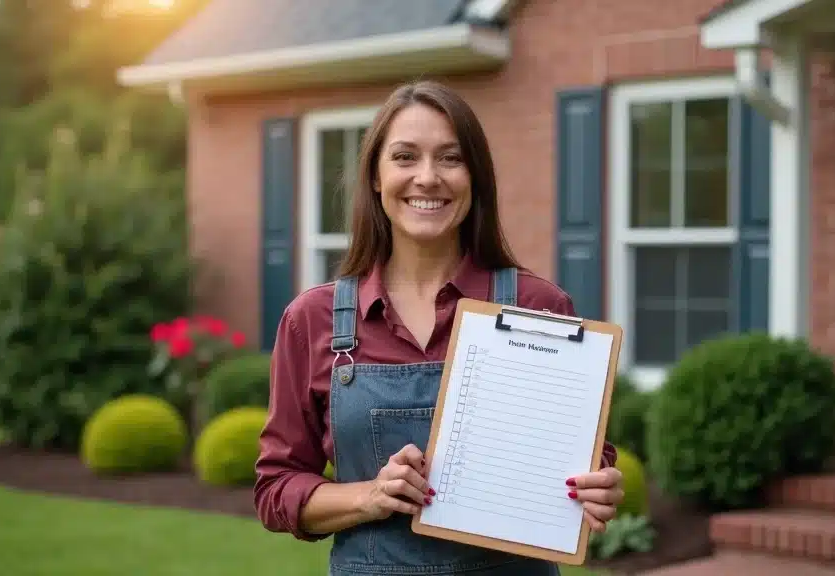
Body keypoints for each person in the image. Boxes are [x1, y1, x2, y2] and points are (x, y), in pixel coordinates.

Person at [254, 80, 624, 576]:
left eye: (450, 158)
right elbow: (276, 488)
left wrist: (597, 487)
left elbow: (581, 465)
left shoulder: (540, 307)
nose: (427, 177)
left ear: (475, 178)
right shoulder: (312, 319)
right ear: (376, 178)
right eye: (405, 157)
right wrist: (372, 496)